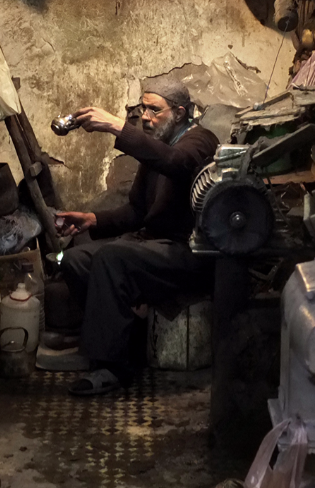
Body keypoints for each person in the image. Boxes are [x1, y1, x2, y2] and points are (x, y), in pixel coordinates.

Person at [55, 77, 219, 396]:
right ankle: (126, 344)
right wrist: (92, 220)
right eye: (142, 109)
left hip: (187, 251)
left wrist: (117, 127)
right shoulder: (158, 146)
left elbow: (176, 163)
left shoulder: (200, 140)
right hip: (152, 246)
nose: (145, 117)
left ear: (180, 113)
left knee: (112, 258)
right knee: (75, 260)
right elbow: (137, 210)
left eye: (154, 110)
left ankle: (111, 366)